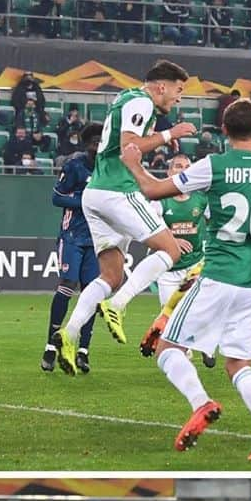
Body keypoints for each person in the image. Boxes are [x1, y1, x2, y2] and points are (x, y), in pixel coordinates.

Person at [120, 97, 251, 459]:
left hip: (218, 274)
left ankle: (201, 403)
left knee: (168, 349)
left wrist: (134, 165)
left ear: (225, 132)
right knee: (238, 364)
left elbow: (153, 190)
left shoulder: (214, 165)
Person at [52, 62, 197, 375]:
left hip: (95, 196)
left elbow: (128, 141)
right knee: (170, 250)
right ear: (162, 86)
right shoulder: (141, 101)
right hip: (117, 192)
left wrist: (157, 136)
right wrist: (169, 133)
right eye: (178, 89)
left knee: (110, 276)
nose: (179, 97)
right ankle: (118, 305)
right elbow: (127, 145)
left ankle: (69, 333)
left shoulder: (126, 98)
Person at [136, 152, 209, 360]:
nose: (183, 170)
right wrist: (172, 241)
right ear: (169, 171)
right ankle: (187, 350)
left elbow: (216, 224)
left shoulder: (201, 199)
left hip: (194, 266)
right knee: (171, 314)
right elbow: (147, 230)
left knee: (195, 311)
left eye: (187, 166)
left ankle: (194, 348)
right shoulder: (160, 201)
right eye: (178, 166)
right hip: (169, 269)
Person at [41, 122, 101, 372]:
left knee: (91, 293)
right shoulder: (74, 166)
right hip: (72, 236)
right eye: (95, 142)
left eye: (102, 141)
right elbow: (56, 196)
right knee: (67, 285)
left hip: (98, 238)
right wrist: (83, 201)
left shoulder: (110, 169)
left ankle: (83, 351)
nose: (99, 146)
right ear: (87, 144)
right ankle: (50, 346)